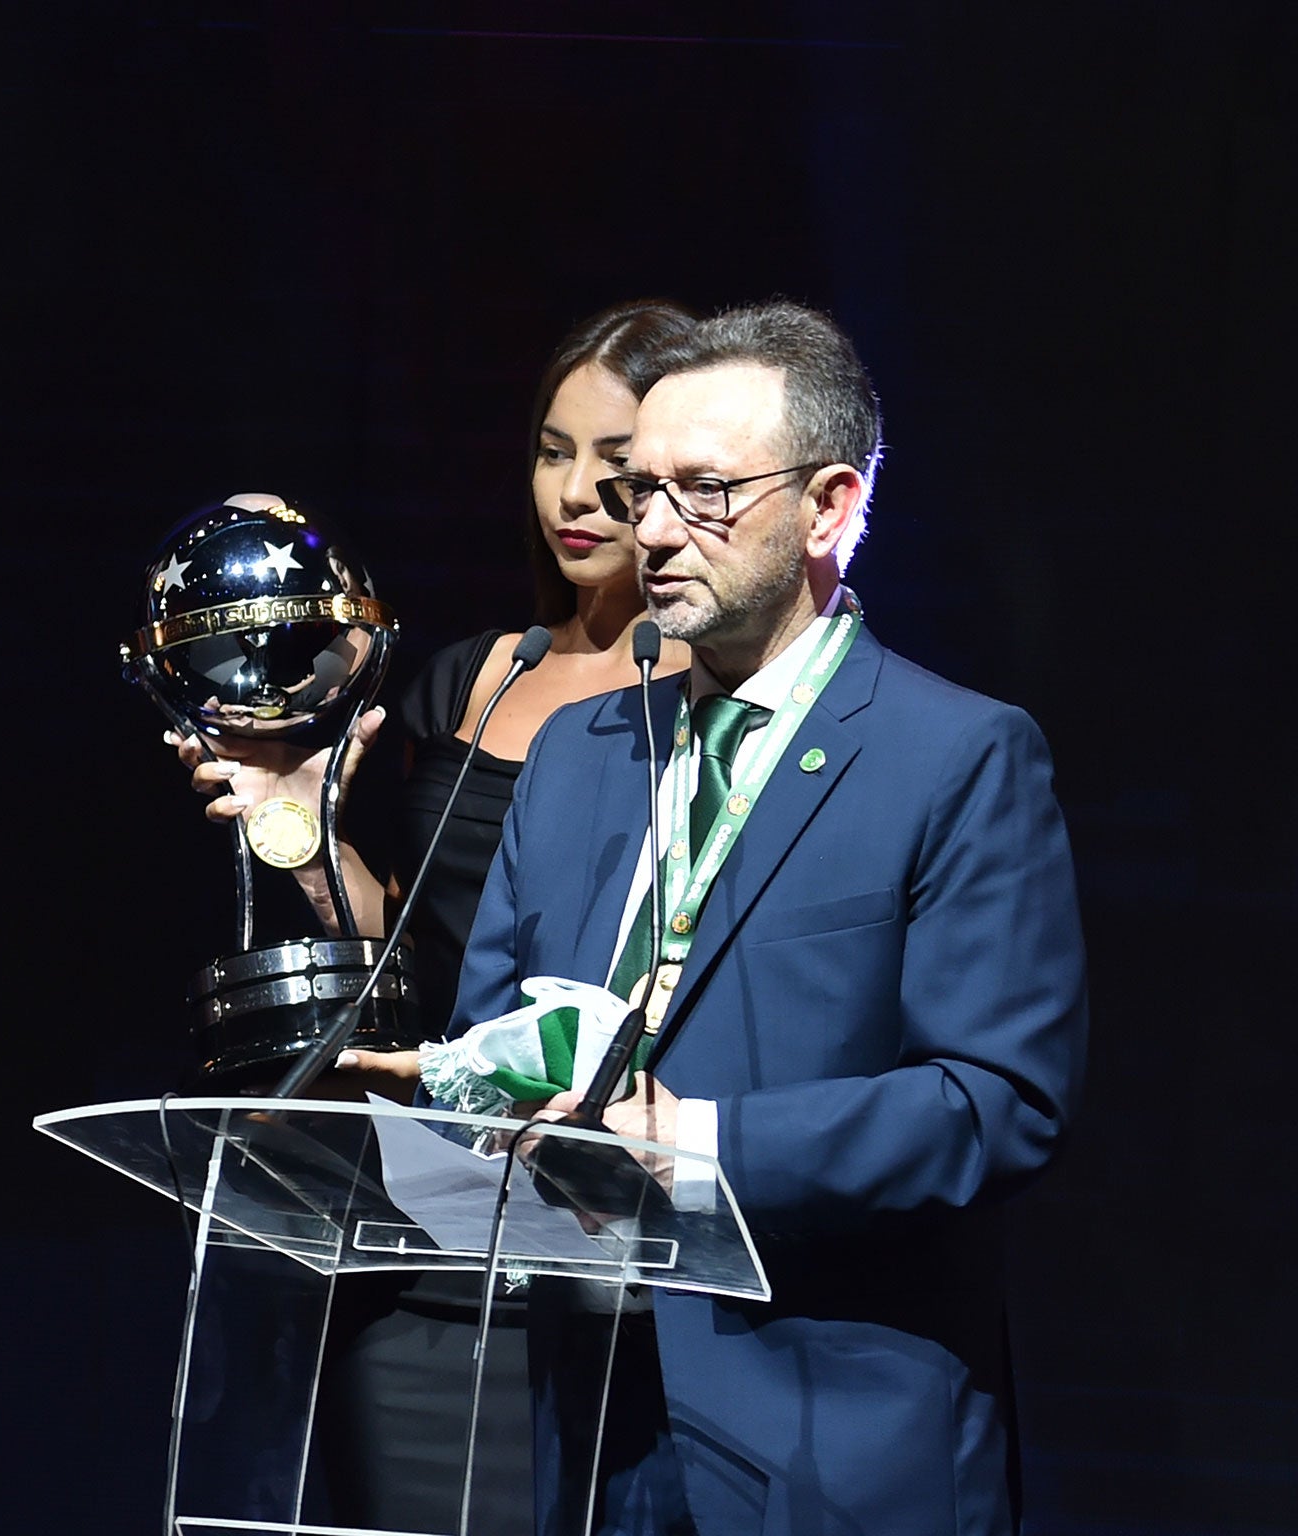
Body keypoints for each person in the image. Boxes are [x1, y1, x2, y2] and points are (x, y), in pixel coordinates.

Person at [429, 300, 1087, 1535]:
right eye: (640, 493)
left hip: (833, 1436)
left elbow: (998, 1102)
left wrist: (705, 1144)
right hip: (594, 1435)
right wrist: (470, 1096)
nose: (656, 533)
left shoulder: (953, 756)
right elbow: (495, 1033)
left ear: (828, 506)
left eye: (705, 492)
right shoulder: (574, 754)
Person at [169, 300, 697, 1534]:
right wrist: (295, 825)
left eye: (612, 466)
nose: (572, 494)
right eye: (549, 451)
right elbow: (399, 953)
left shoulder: (718, 703)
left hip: (609, 1256)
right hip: (423, 1250)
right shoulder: (478, 675)